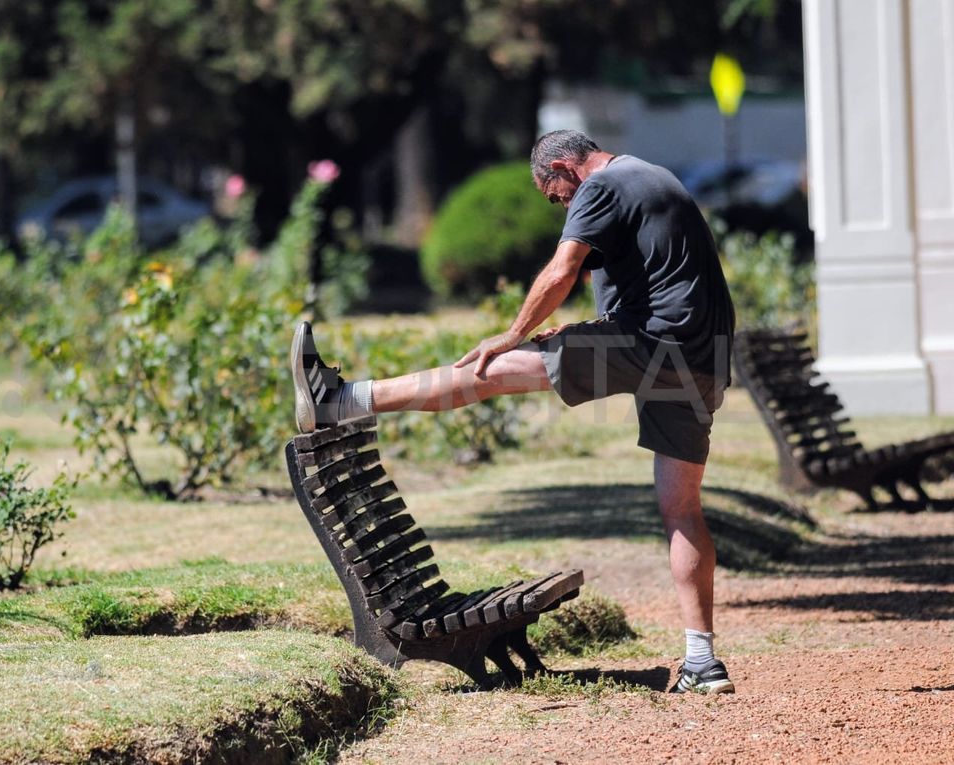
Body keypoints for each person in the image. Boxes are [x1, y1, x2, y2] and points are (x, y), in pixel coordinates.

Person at [291, 129, 736, 694]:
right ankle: (703, 661)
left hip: (651, 346)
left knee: (485, 371)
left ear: (565, 168)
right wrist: (575, 335)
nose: (561, 207)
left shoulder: (600, 185)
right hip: (703, 358)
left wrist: (512, 334)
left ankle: (341, 399)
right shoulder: (651, 175)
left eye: (555, 196)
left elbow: (561, 270)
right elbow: (654, 274)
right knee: (682, 510)